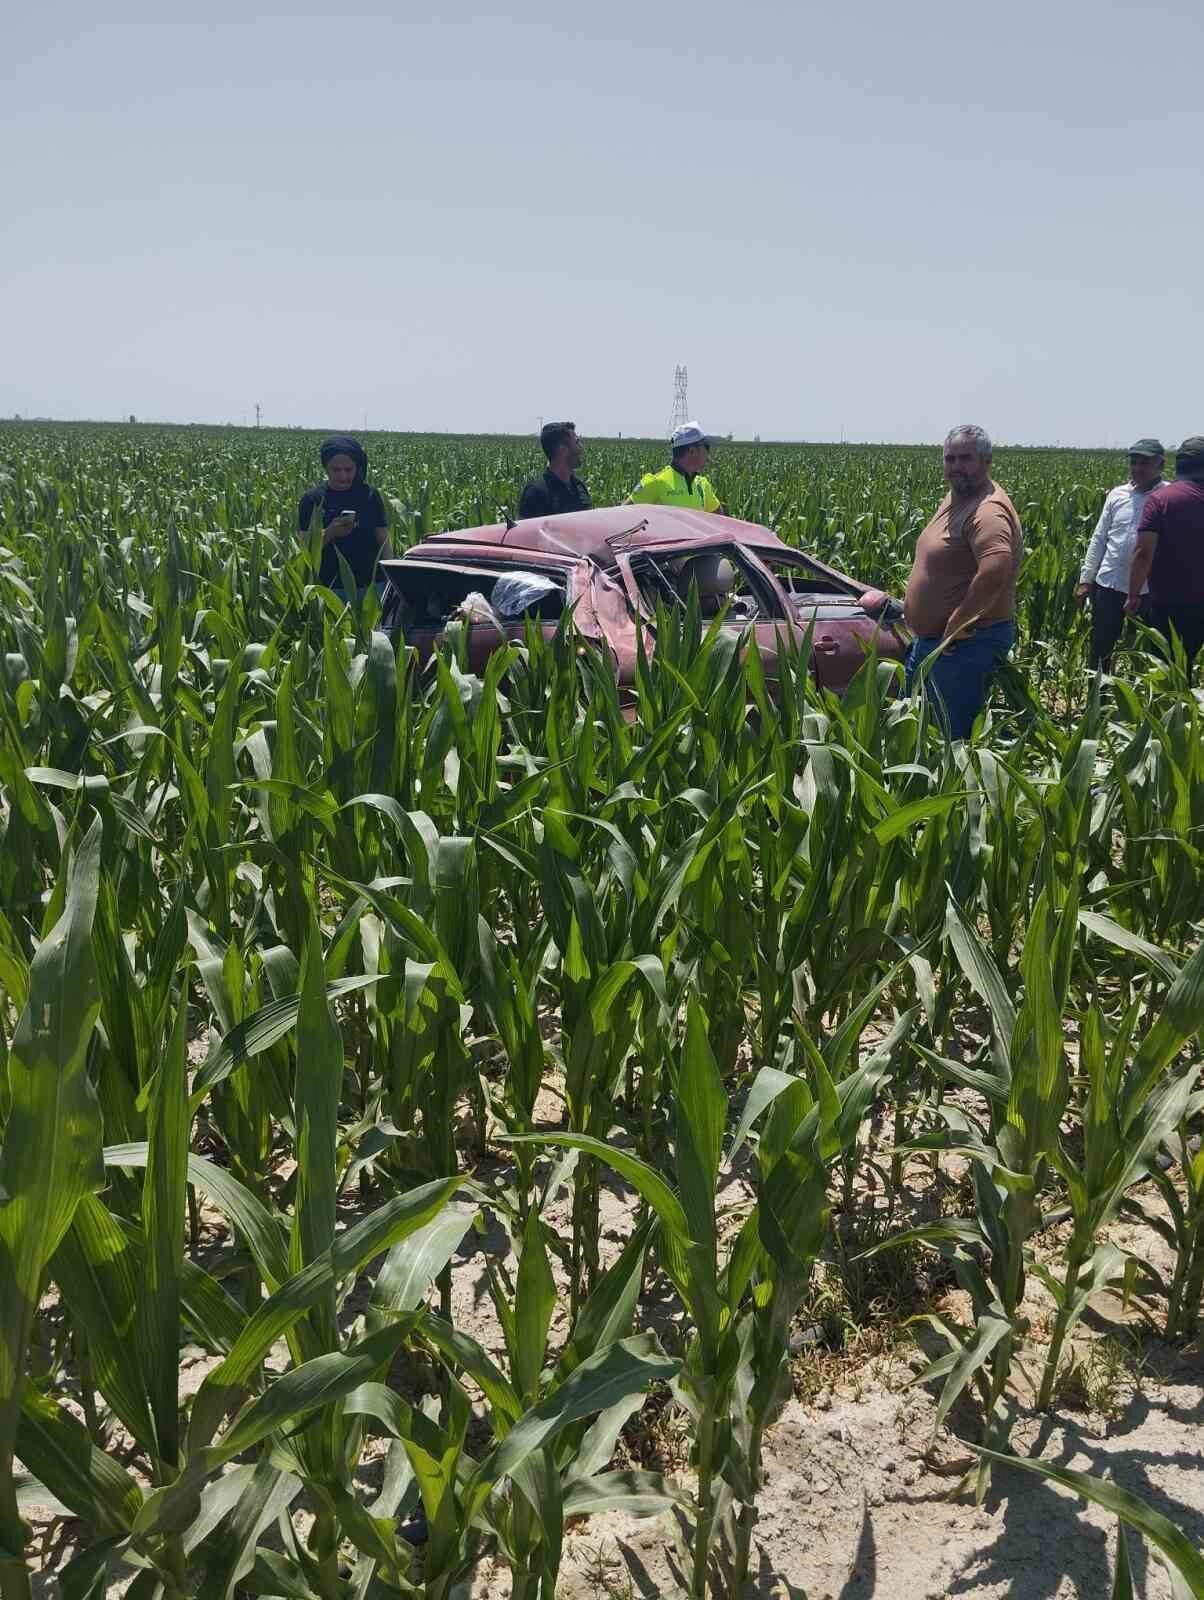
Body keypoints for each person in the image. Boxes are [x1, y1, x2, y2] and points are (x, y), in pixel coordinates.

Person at [902, 425, 1023, 739]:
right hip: (935, 643)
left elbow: (996, 568)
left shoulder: (987, 511)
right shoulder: (957, 498)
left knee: (947, 739)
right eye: (950, 458)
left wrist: (957, 621)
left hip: (964, 645)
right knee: (916, 731)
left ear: (986, 461)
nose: (956, 467)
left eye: (965, 458)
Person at [1074, 440, 1164, 669]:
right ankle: (1098, 700)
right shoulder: (1117, 495)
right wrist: (1086, 579)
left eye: (1145, 462)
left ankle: (1142, 701)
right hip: (1109, 585)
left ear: (1160, 464)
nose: (1137, 468)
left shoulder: (1168, 497)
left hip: (1149, 590)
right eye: (1134, 462)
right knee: (1101, 648)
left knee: (1150, 655)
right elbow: (1099, 537)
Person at [1126, 435, 1204, 670]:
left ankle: (1173, 705)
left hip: (1170, 602)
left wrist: (1132, 595)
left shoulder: (1161, 500)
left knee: (1168, 668)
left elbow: (1143, 553)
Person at [297, 435, 392, 596]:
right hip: (330, 587)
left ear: (357, 467)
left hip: (372, 586)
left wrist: (391, 577)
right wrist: (330, 532)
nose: (343, 476)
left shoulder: (369, 496)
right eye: (336, 470)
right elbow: (304, 547)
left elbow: (383, 538)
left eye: (348, 470)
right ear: (325, 468)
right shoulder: (312, 499)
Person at [628, 422, 726, 513]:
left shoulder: (702, 484)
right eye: (706, 447)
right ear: (692, 451)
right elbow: (623, 517)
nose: (709, 456)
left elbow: (721, 522)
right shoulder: (655, 482)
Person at [517, 422, 591, 518]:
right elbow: (526, 531)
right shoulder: (536, 493)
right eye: (577, 442)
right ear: (562, 449)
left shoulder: (580, 487)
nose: (581, 447)